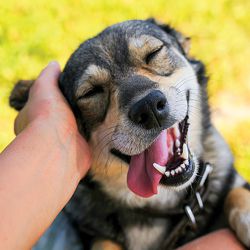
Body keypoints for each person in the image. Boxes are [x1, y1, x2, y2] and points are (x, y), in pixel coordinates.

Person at [0, 62, 245, 250]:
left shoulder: (221, 173)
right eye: (94, 91)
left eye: (152, 56)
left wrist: (238, 202)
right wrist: (48, 130)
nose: (145, 100)